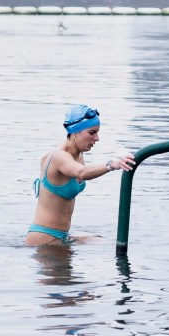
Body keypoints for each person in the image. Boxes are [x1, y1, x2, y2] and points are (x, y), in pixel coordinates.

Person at [25, 104, 135, 246]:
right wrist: (112, 165)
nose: (97, 138)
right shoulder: (59, 156)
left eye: (97, 132)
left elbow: (44, 158)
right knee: (109, 246)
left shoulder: (76, 154)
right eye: (92, 133)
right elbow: (81, 172)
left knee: (105, 242)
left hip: (61, 235)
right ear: (75, 132)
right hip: (44, 238)